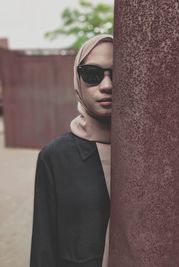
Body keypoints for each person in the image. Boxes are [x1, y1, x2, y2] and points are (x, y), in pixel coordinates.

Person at [30, 34, 113, 267]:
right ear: (78, 80)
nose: (107, 85)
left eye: (118, 74)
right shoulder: (55, 157)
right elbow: (43, 248)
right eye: (92, 75)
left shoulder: (149, 155)